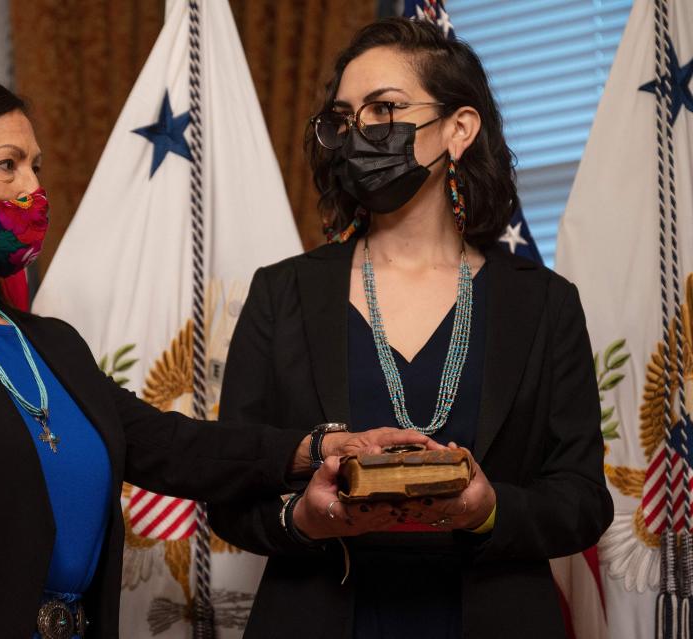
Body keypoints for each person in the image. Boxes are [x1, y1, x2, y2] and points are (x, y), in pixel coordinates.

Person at [0, 78, 428, 639]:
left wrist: (320, 449)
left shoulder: (51, 343)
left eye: (36, 167)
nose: (34, 190)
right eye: (7, 167)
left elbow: (171, 446)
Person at [208, 18, 613, 639]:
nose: (357, 134)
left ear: (458, 129)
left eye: (385, 109)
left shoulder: (545, 303)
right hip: (320, 616)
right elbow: (233, 491)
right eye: (344, 118)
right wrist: (308, 520)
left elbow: (583, 501)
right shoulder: (281, 292)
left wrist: (488, 510)